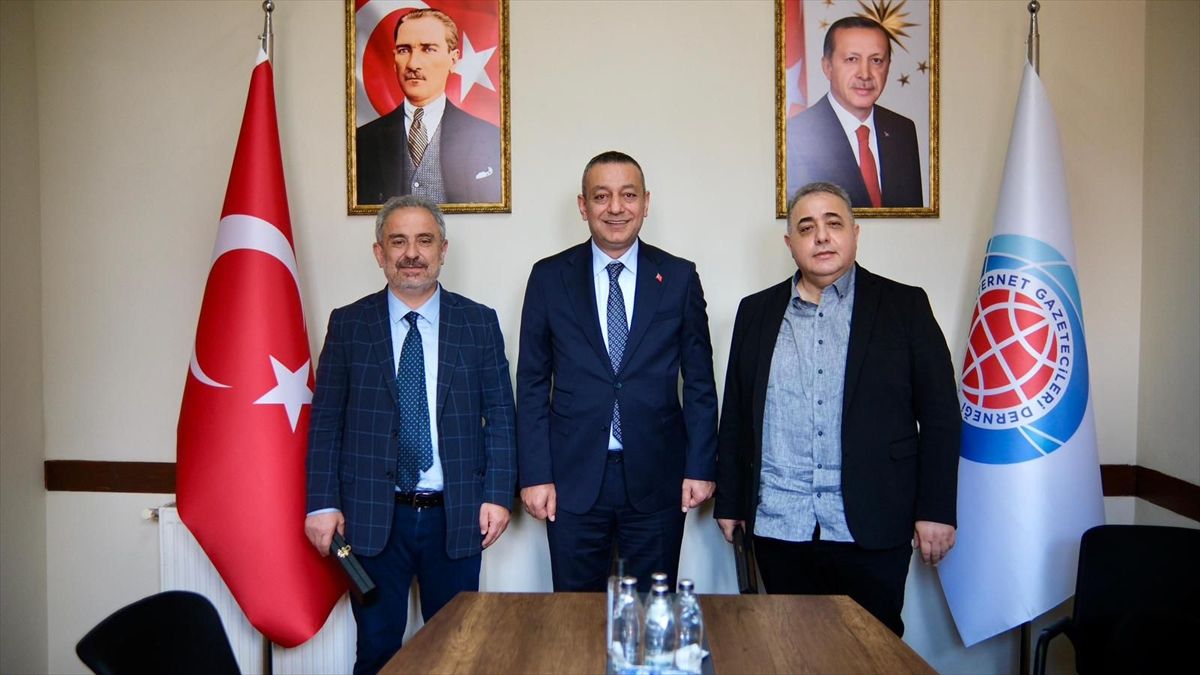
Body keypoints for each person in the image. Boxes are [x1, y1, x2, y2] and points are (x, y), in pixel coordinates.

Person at [714, 181, 958, 636]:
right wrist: (730, 502)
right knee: (790, 654)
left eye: (834, 224)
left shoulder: (904, 306)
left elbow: (941, 417)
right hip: (780, 525)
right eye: (806, 228)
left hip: (873, 524)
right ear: (790, 243)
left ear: (855, 234)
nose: (822, 237)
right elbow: (736, 417)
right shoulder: (756, 312)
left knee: (874, 654)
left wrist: (937, 510)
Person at [305, 195, 516, 674]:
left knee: (459, 653)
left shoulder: (477, 322)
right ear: (379, 252)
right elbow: (326, 421)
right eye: (398, 242)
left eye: (424, 241)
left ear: (443, 249)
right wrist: (321, 503)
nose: (412, 253)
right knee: (377, 651)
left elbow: (501, 414)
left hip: (456, 515)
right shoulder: (349, 324)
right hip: (372, 519)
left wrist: (498, 495)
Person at [516, 151, 719, 592]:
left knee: (650, 611)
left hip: (658, 476)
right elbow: (531, 383)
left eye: (628, 195)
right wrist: (535, 474)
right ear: (583, 205)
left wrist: (701, 466)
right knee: (573, 614)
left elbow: (700, 382)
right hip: (571, 479)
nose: (615, 208)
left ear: (646, 203)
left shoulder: (679, 277)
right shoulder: (549, 277)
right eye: (601, 196)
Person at [356, 8, 501, 206]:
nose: (413, 64)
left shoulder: (489, 137)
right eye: (404, 50)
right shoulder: (363, 140)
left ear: (453, 59)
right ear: (394, 60)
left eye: (428, 49)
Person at [786, 17, 923, 208]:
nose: (865, 74)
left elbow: (913, 216)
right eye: (852, 59)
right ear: (827, 67)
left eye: (876, 60)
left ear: (888, 67)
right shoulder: (796, 134)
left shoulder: (902, 130)